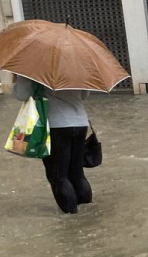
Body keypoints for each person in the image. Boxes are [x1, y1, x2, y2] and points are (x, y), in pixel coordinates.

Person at [13, 75, 91, 214]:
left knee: (58, 176)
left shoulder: (33, 68)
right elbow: (84, 95)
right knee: (77, 173)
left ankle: (71, 219)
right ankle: (88, 213)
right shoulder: (76, 66)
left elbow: (22, 94)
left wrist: (18, 80)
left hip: (55, 125)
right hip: (80, 123)